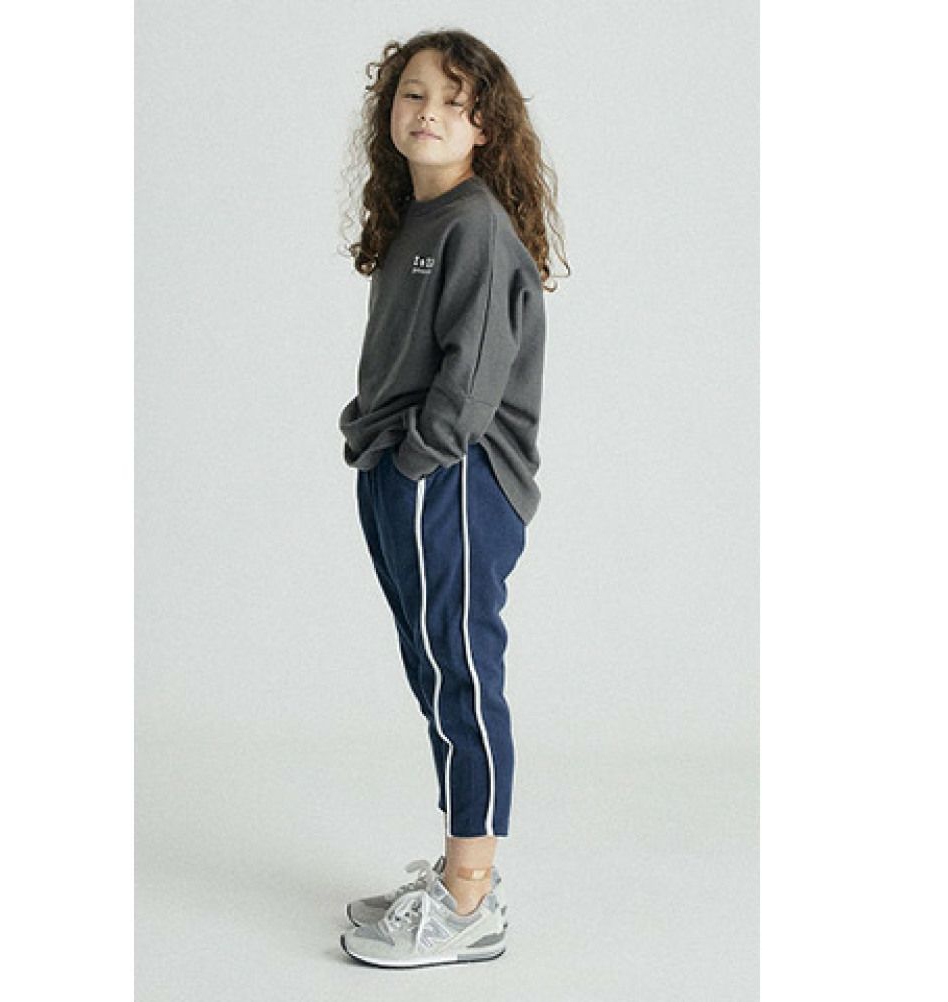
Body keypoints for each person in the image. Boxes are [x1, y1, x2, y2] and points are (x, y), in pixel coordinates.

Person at [336, 28, 568, 968]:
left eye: (453, 100)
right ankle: (456, 873)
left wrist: (415, 462)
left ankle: (471, 901)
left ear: (485, 127)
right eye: (412, 94)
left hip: (455, 481)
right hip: (404, 473)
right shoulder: (420, 220)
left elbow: (471, 381)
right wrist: (371, 444)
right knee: (435, 675)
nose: (427, 111)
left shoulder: (474, 225)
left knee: (462, 678)